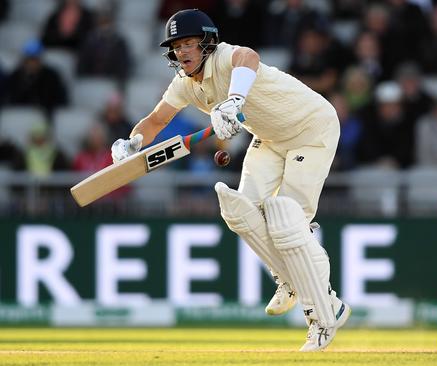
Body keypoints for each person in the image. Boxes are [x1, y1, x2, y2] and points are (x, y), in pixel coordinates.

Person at [109, 9, 349, 351]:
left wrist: (234, 100)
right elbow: (156, 120)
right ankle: (289, 278)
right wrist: (131, 142)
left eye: (190, 43)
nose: (184, 52)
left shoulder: (225, 58)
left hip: (312, 129)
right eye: (178, 46)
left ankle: (325, 313)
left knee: (289, 222)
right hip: (269, 138)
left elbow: (248, 56)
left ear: (207, 43)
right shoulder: (185, 85)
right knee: (240, 211)